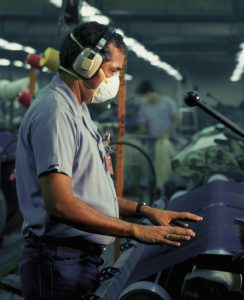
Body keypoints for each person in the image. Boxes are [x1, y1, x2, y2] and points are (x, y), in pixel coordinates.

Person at [16, 22, 202, 300]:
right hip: (58, 264)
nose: (116, 80)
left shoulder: (77, 109)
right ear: (87, 63)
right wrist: (134, 230)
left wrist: (144, 210)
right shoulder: (55, 112)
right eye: (114, 70)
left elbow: (85, 193)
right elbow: (60, 204)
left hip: (73, 261)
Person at [137, 80, 181, 193]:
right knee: (152, 165)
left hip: (170, 139)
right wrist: (139, 130)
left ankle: (174, 187)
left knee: (172, 164)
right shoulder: (144, 107)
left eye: (146, 96)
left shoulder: (168, 102)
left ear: (152, 92)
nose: (146, 98)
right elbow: (144, 126)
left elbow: (177, 120)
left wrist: (168, 134)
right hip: (153, 142)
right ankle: (155, 187)